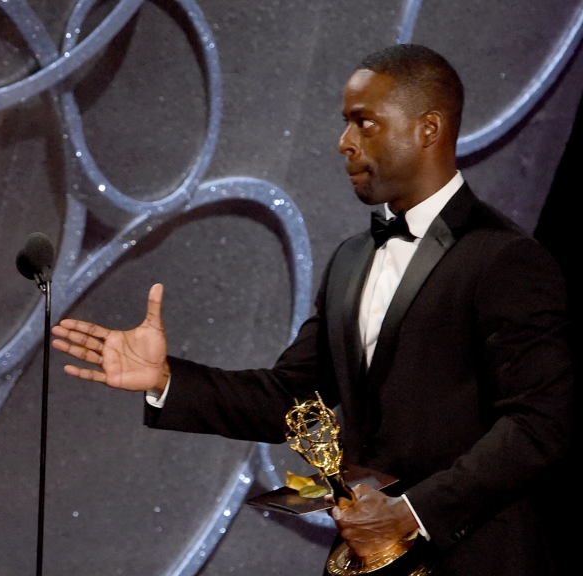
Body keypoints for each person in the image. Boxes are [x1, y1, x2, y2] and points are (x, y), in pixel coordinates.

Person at [51, 44, 571, 575]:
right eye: (346, 123)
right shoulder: (350, 260)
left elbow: (540, 424)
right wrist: (165, 379)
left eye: (364, 123)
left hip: (478, 559)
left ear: (428, 129)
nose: (344, 143)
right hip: (364, 559)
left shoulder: (505, 258)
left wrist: (411, 514)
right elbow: (291, 396)